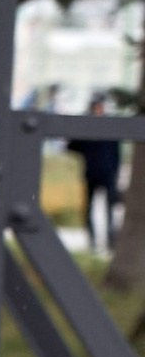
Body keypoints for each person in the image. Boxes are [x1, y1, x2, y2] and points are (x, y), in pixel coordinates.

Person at [81, 92, 124, 258]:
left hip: (107, 173)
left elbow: (116, 152)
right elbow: (74, 145)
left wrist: (116, 172)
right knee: (89, 208)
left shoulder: (110, 125)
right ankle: (92, 241)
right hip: (92, 172)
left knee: (109, 209)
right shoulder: (87, 125)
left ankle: (110, 240)